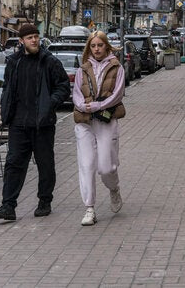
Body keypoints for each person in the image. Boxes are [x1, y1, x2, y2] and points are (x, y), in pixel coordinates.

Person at [0, 23, 70, 221]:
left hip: (42, 123)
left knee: (45, 164)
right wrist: (6, 110)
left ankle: (45, 201)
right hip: (18, 123)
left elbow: (63, 87)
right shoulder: (13, 62)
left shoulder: (49, 62)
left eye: (36, 36)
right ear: (21, 41)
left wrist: (49, 104)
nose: (34, 40)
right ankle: (8, 206)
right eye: (29, 37)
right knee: (13, 164)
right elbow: (8, 88)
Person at [72, 31, 126, 226]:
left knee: (105, 167)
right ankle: (89, 208)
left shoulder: (116, 67)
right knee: (86, 165)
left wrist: (98, 106)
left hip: (106, 120)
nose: (96, 49)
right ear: (89, 48)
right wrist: (81, 105)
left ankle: (114, 189)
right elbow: (76, 92)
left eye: (99, 45)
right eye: (93, 46)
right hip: (84, 122)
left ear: (106, 46)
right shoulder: (83, 69)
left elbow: (118, 94)